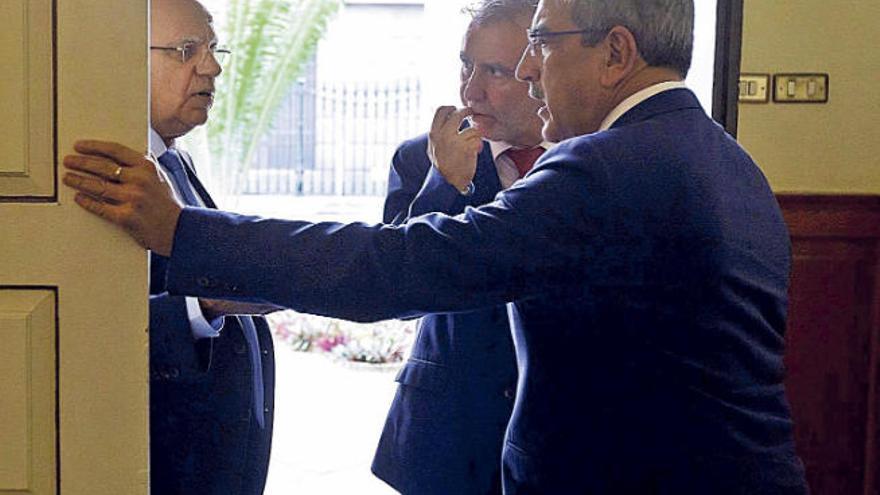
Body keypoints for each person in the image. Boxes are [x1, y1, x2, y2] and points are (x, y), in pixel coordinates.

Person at [63, 0, 809, 492]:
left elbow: (400, 266)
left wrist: (181, 232)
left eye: (540, 44)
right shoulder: (727, 161)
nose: (524, 70)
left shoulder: (607, 167)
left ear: (615, 53)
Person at [374, 1, 548, 493]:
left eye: (495, 71)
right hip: (446, 432)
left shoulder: (588, 156)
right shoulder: (420, 157)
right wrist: (444, 181)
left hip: (559, 433)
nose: (471, 90)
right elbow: (397, 290)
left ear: (539, 69)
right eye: (466, 65)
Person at [144, 1, 275, 493]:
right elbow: (86, 332)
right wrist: (204, 306)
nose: (213, 67)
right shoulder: (102, 173)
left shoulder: (175, 164)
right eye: (186, 51)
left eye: (214, 48)